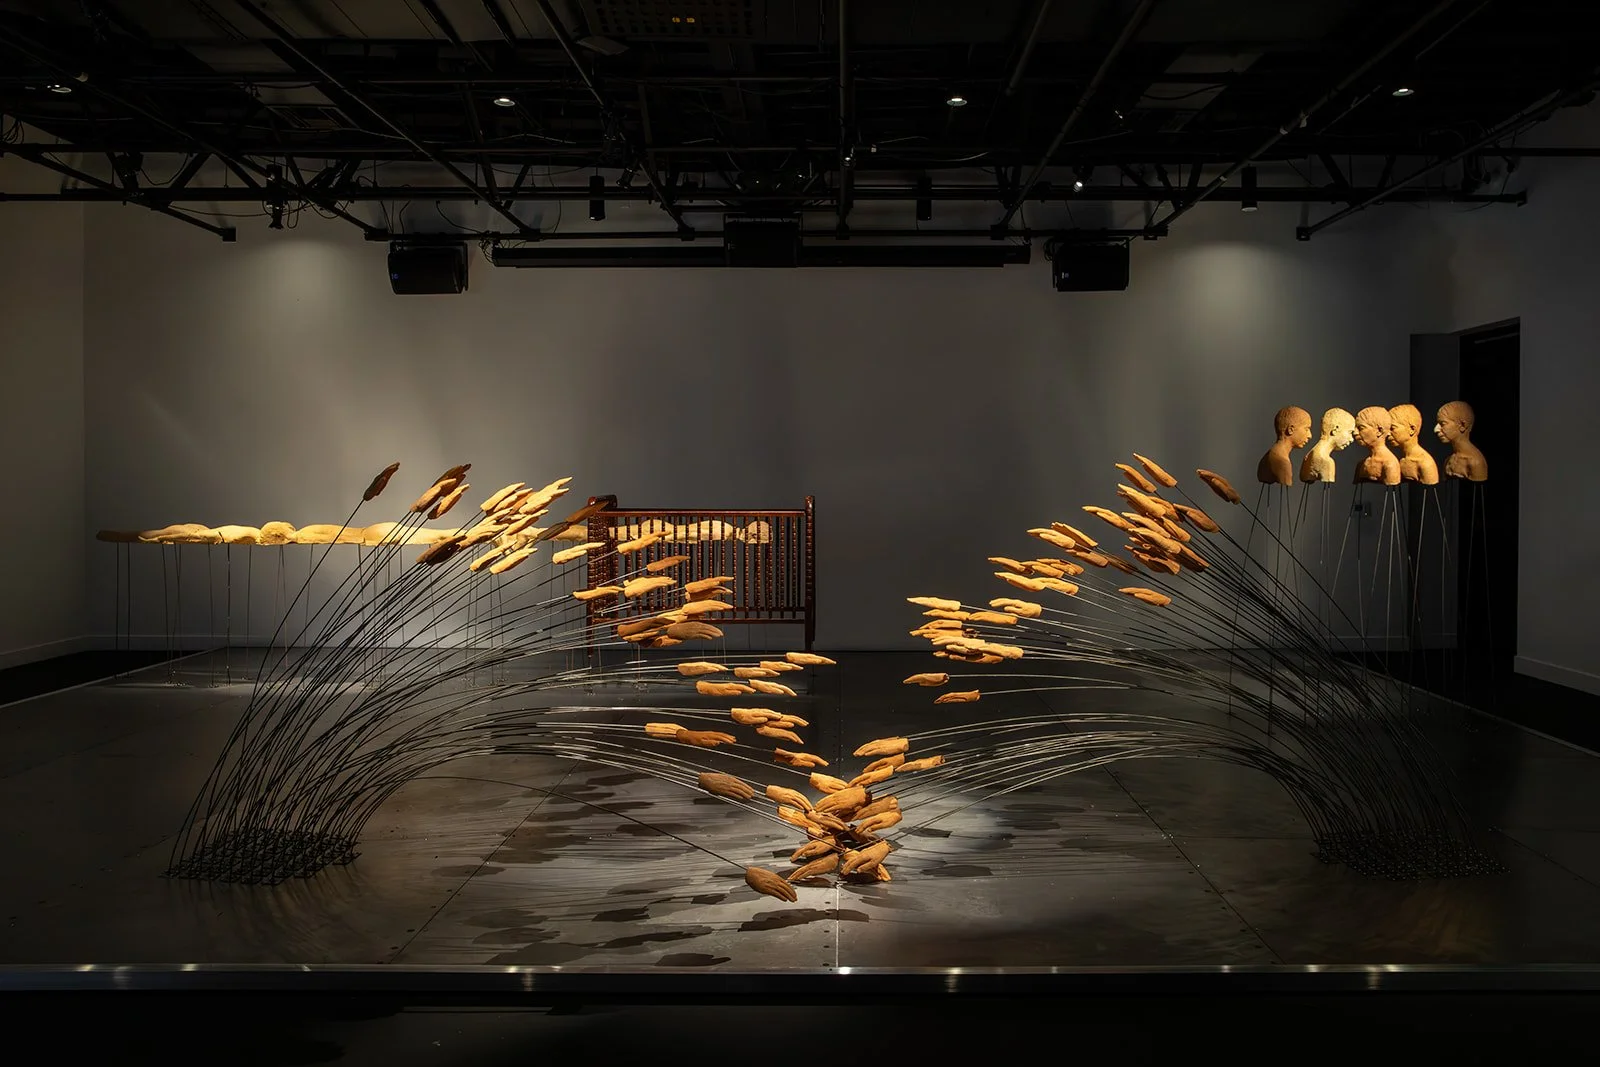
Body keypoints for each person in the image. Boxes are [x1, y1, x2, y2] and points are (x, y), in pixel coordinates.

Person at [1256, 405, 1312, 486]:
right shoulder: (1283, 463)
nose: (1310, 435)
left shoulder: (1268, 457)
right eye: (1306, 429)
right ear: (1290, 430)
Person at [1387, 403, 1440, 485]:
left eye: (1392, 428)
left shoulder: (1425, 464)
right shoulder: (1401, 460)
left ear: (1412, 429)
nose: (1388, 434)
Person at [1435, 400, 1488, 481]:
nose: (1436, 429)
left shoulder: (1475, 463)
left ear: (1462, 425)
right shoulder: (1448, 461)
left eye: (1443, 424)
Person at [1300, 407, 1356, 483]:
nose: (1351, 439)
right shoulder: (1327, 462)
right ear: (1335, 430)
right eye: (1350, 432)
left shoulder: (1308, 456)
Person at [1353, 406, 1400, 485]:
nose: (1355, 432)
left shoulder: (1390, 465)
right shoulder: (1361, 465)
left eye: (1361, 428)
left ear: (1379, 431)